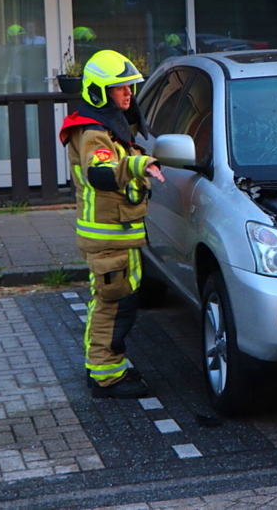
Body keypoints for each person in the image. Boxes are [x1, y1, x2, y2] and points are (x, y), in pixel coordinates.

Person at [58, 49, 166, 399]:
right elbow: (101, 174)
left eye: (130, 87)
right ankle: (106, 377)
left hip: (119, 237)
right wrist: (138, 165)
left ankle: (107, 367)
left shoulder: (107, 129)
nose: (128, 94)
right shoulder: (93, 133)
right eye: (120, 88)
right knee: (112, 307)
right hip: (108, 239)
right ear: (100, 92)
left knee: (118, 303)